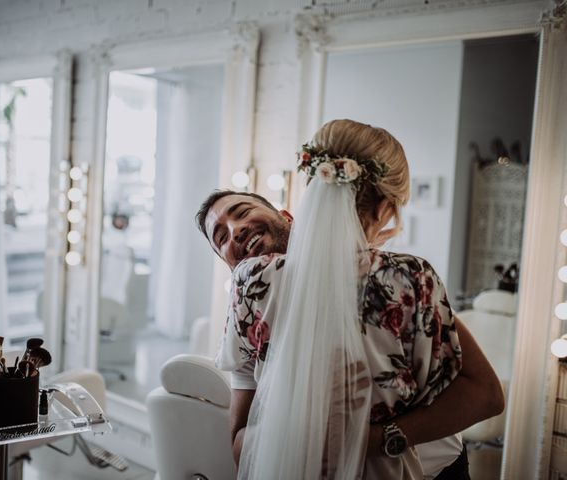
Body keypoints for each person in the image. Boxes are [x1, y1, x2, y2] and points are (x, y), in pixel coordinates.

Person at [196, 119, 504, 479]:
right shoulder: (253, 293)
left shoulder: (398, 284)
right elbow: (240, 439)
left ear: (291, 212)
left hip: (435, 468)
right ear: (387, 209)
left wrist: (366, 441)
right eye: (220, 237)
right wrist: (301, 446)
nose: (236, 231)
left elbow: (484, 393)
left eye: (243, 212)